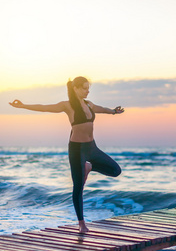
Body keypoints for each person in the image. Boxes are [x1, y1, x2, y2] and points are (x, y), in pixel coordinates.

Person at [9, 76, 124, 233]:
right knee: (78, 187)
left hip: (92, 147)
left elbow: (102, 109)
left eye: (88, 88)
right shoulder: (67, 105)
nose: (87, 90)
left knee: (115, 170)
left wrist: (114, 112)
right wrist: (23, 106)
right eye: (84, 88)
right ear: (75, 88)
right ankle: (82, 224)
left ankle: (89, 167)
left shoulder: (89, 105)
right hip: (77, 150)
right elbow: (44, 107)